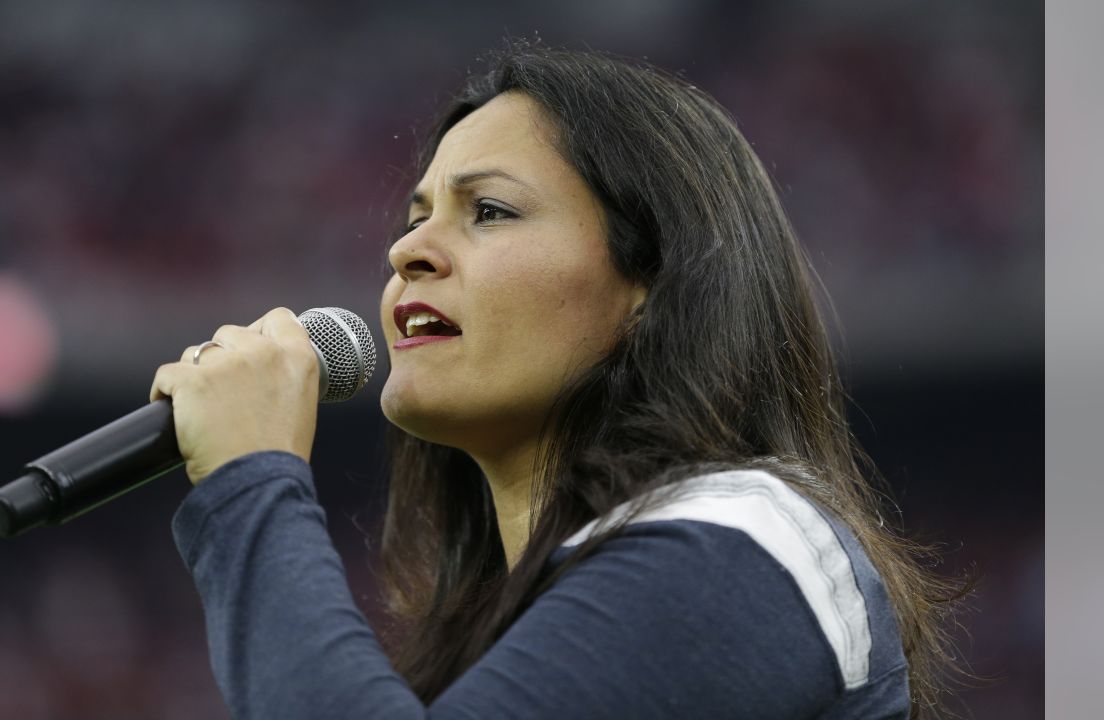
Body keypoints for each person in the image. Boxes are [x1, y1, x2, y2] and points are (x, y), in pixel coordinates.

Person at [149, 44, 961, 719]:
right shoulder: (518, 625)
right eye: (413, 219)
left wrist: (249, 483)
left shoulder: (745, 544)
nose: (407, 252)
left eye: (490, 211)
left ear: (653, 283)